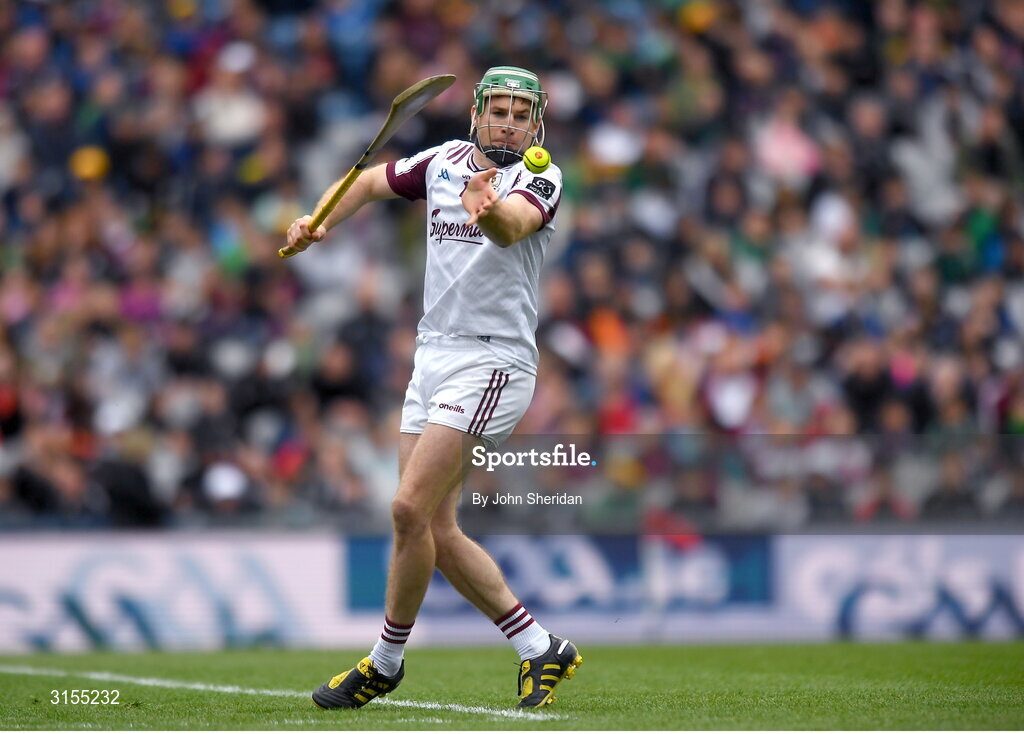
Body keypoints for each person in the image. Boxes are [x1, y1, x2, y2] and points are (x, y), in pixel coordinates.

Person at [284, 66, 582, 710]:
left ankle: (384, 662)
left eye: (519, 113)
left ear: (537, 123)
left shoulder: (541, 178)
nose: (506, 121)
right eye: (496, 109)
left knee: (406, 510)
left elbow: (510, 229)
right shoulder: (442, 161)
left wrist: (487, 209)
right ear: (475, 114)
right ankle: (541, 648)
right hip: (432, 358)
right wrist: (320, 218)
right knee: (432, 528)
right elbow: (365, 181)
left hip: (493, 362)